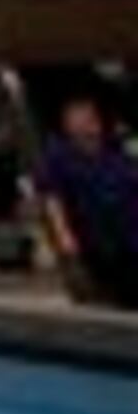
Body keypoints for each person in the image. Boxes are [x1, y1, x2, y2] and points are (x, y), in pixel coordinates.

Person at [33, 95, 138, 311]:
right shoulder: (59, 157)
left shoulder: (115, 154)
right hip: (96, 248)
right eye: (75, 121)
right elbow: (52, 200)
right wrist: (66, 241)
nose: (83, 127)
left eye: (88, 120)